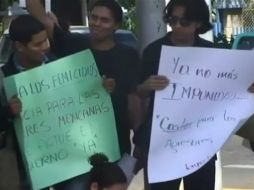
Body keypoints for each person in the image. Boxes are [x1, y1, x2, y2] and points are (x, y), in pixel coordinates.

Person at [27, 0, 140, 189]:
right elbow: (40, 16)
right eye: (94, 17)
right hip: (72, 152)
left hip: (114, 148)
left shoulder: (128, 55)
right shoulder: (72, 43)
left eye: (104, 20)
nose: (97, 23)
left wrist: (139, 142)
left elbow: (134, 98)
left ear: (117, 25)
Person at [134, 0, 217, 189]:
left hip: (201, 142)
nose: (177, 26)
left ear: (198, 23)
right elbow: (136, 92)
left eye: (184, 22)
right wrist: (146, 86)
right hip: (162, 142)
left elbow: (227, 92)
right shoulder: (154, 51)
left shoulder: (212, 53)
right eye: (172, 20)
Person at [0, 14, 52, 190]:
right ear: (19, 46)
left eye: (46, 40)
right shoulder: (3, 78)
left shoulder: (59, 69)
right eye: (38, 44)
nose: (46, 47)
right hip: (19, 169)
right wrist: (8, 112)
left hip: (60, 160)